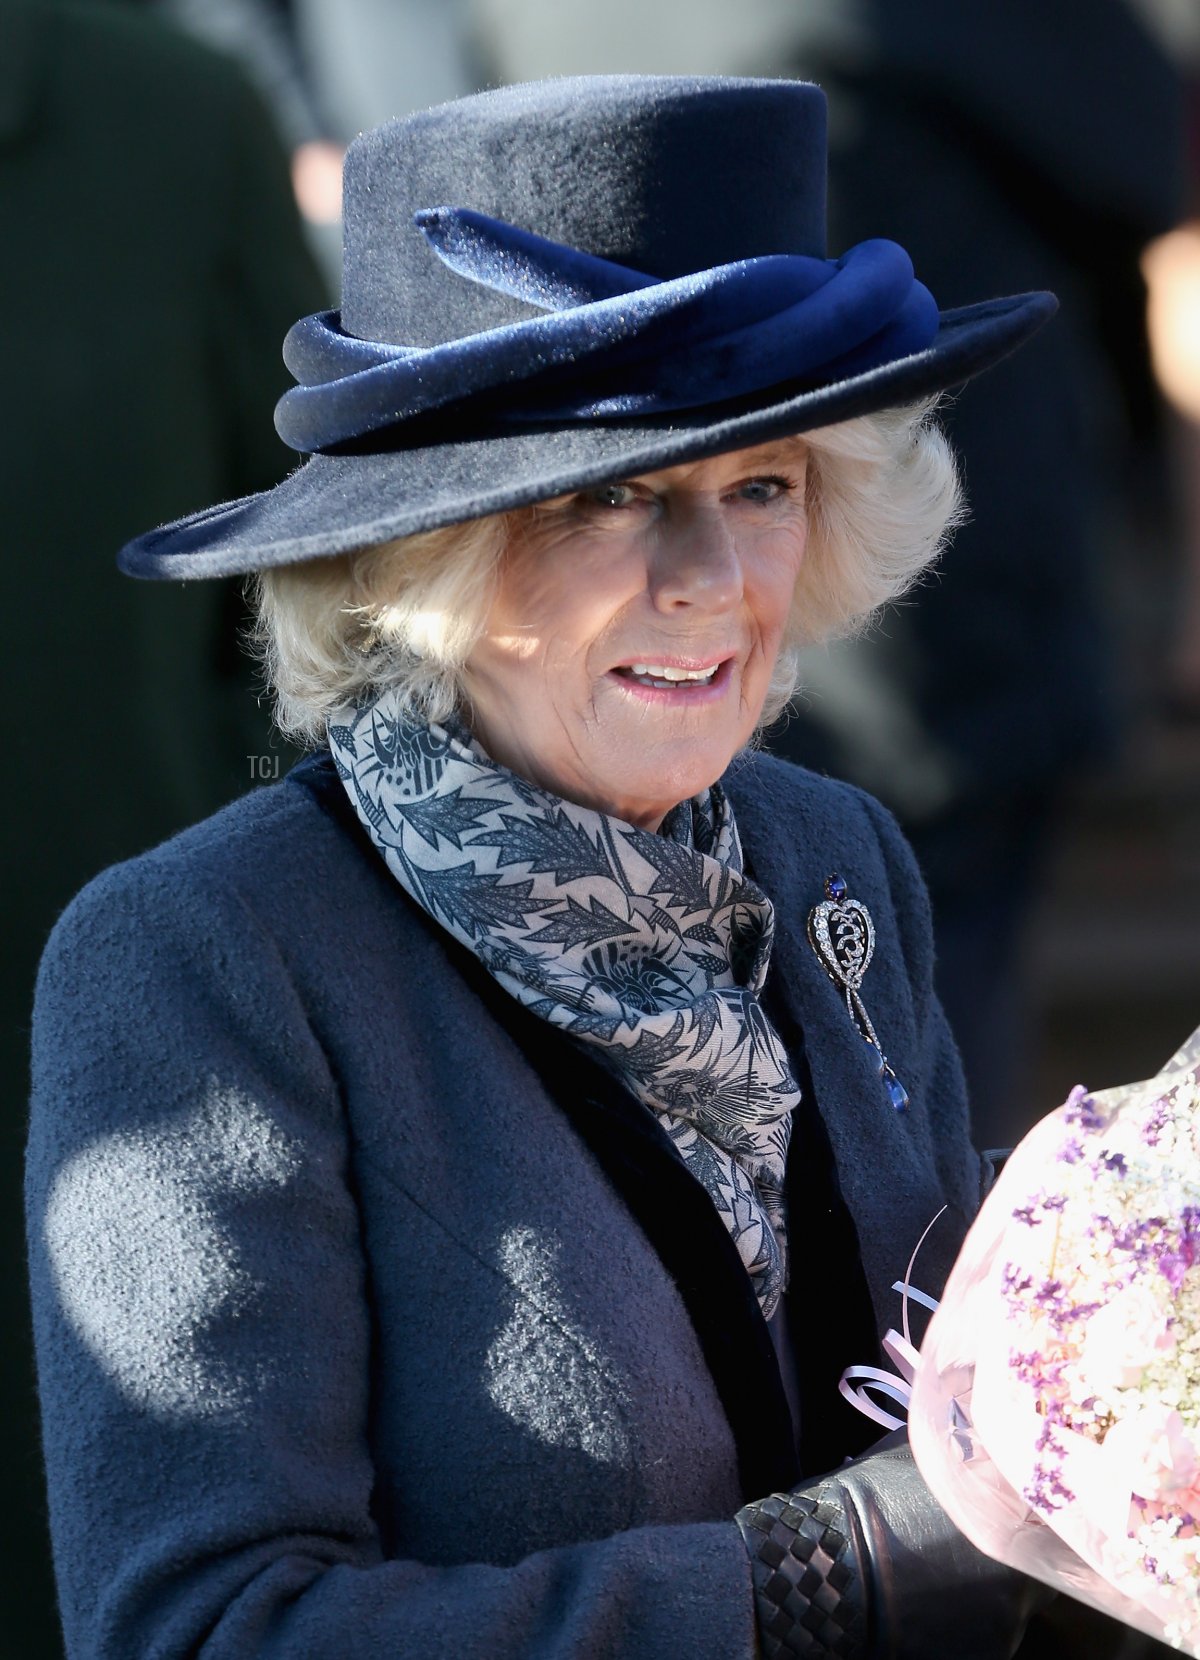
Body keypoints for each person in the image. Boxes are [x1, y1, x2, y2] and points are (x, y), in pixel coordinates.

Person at [26, 77, 1058, 1658]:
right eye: (611, 497)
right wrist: (814, 1579)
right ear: (427, 552)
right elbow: (207, 1628)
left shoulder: (829, 855)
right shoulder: (205, 958)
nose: (710, 579)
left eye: (763, 486)